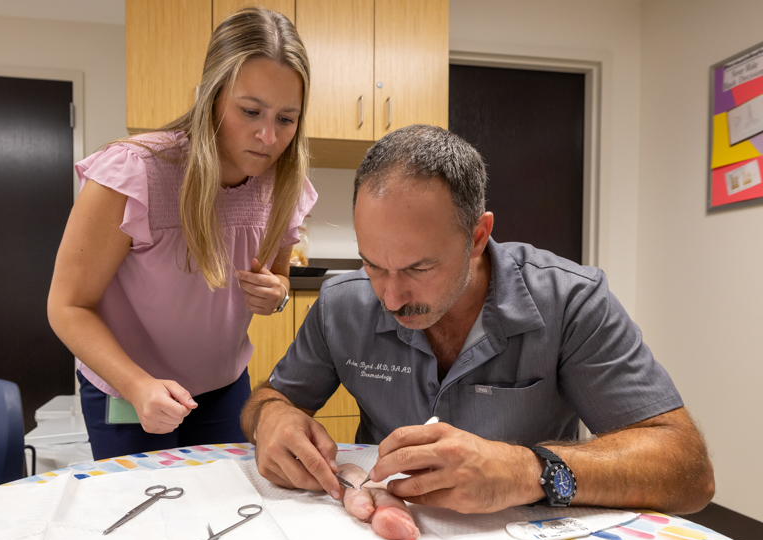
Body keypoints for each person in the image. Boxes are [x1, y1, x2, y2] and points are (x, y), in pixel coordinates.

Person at [240, 124, 715, 515]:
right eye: (373, 264)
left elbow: (688, 469)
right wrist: (272, 418)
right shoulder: (343, 304)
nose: (390, 295)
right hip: (387, 537)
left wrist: (526, 470)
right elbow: (269, 399)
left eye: (419, 268)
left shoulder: (571, 302)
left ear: (477, 237)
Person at [48, 7, 315, 460]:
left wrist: (279, 294)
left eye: (286, 119)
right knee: (146, 516)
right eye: (250, 111)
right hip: (130, 390)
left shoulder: (285, 185)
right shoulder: (132, 172)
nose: (268, 137)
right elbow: (68, 305)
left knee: (225, 508)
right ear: (211, 97)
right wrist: (136, 386)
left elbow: (279, 277)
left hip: (225, 386)